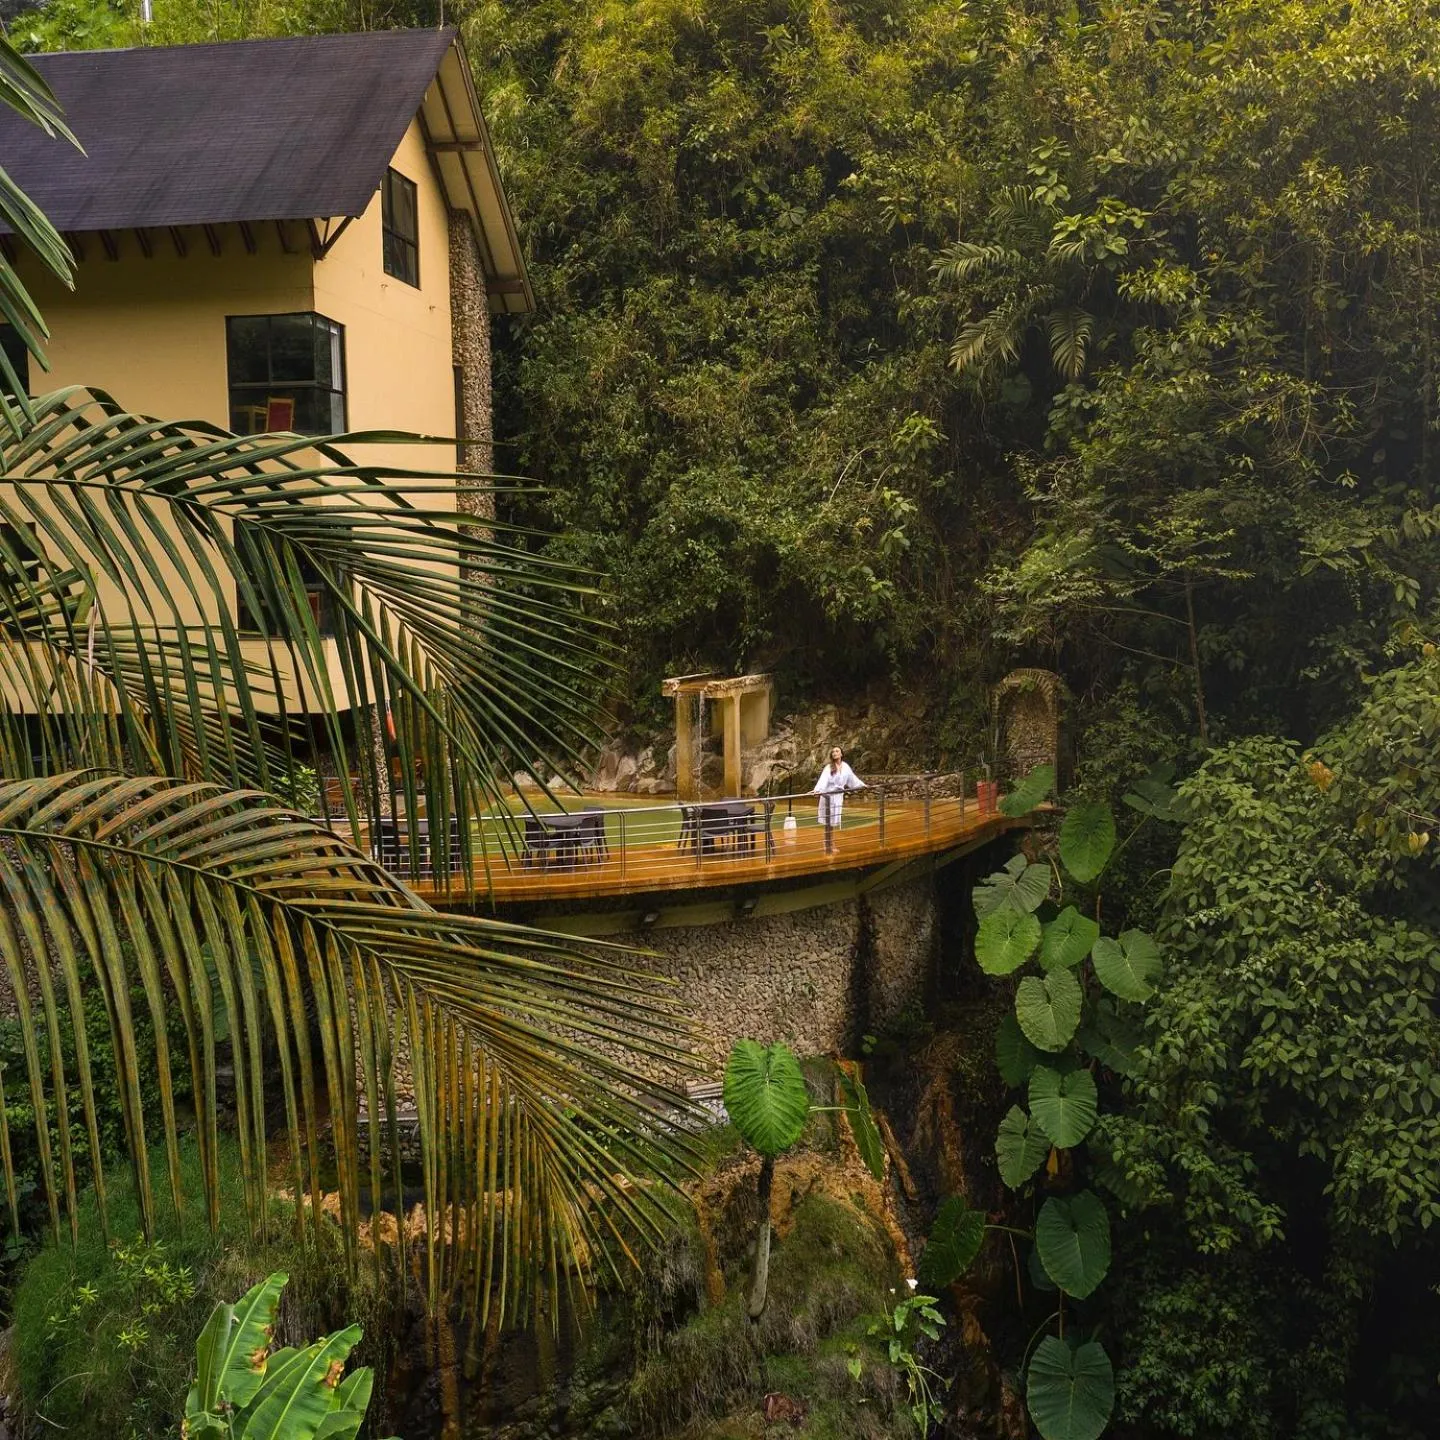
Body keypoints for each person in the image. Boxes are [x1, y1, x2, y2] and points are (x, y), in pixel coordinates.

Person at [813, 746, 864, 834]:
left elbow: (852, 779)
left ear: (841, 754)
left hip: (838, 796)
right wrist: (817, 790)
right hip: (828, 796)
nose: (834, 753)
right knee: (828, 821)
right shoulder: (829, 767)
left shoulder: (845, 766)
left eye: (837, 751)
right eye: (833, 752)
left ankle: (830, 843)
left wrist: (862, 785)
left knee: (833, 821)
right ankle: (828, 843)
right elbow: (823, 780)